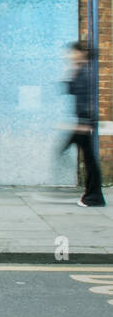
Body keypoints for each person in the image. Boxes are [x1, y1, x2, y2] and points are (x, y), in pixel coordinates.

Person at [66, 42, 105, 207]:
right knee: (89, 160)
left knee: (90, 161)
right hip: (83, 122)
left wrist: (85, 123)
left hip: (84, 122)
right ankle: (92, 195)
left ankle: (94, 197)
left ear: (80, 53)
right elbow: (71, 90)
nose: (69, 55)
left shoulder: (86, 72)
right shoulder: (81, 70)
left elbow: (87, 99)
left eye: (72, 53)